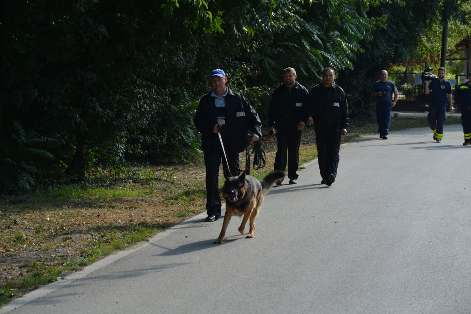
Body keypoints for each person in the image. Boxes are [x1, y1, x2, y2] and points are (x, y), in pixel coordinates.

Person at [194, 69, 262, 222]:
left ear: (226, 80)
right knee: (211, 176)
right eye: (213, 80)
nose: (216, 83)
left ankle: (238, 204)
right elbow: (198, 121)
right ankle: (213, 210)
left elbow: (254, 117)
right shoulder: (205, 100)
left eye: (219, 79)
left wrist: (256, 133)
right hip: (212, 143)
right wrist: (210, 127)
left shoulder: (238, 98)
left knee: (234, 177)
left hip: (232, 144)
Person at [307, 67, 349, 186]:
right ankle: (325, 176)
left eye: (330, 75)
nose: (328, 78)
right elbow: (309, 107)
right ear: (322, 77)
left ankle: (332, 174)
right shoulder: (315, 91)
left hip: (335, 129)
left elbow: (345, 111)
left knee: (334, 152)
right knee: (323, 153)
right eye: (325, 75)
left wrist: (344, 126)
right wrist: (309, 116)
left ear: (334, 76)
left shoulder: (339, 91)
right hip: (320, 128)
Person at [268, 67, 309, 185]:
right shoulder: (278, 92)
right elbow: (272, 110)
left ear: (295, 76)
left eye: (290, 76)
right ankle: (278, 177)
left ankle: (292, 176)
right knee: (280, 152)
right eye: (286, 76)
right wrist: (271, 125)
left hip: (296, 127)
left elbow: (307, 109)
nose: (288, 78)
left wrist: (303, 121)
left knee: (293, 152)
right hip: (281, 127)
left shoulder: (302, 91)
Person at [424, 67, 453, 143]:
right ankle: (435, 132)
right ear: (438, 73)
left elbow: (449, 95)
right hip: (433, 105)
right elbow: (427, 92)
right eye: (440, 73)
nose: (441, 74)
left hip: (442, 106)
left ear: (444, 74)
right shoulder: (433, 82)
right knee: (430, 120)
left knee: (440, 122)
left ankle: (439, 137)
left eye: (442, 73)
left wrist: (450, 105)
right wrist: (427, 83)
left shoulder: (447, 83)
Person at [373, 70, 398, 139]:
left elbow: (396, 93)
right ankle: (381, 132)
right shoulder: (376, 84)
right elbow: (372, 93)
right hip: (379, 104)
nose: (384, 76)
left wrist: (395, 101)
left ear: (387, 76)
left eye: (385, 75)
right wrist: (378, 93)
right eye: (382, 74)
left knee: (386, 118)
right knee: (379, 118)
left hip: (388, 104)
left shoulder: (391, 84)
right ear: (380, 76)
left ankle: (385, 133)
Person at [454, 76, 471, 146]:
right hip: (465, 109)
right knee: (466, 124)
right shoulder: (463, 86)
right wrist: (457, 105)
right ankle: (467, 140)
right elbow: (457, 94)